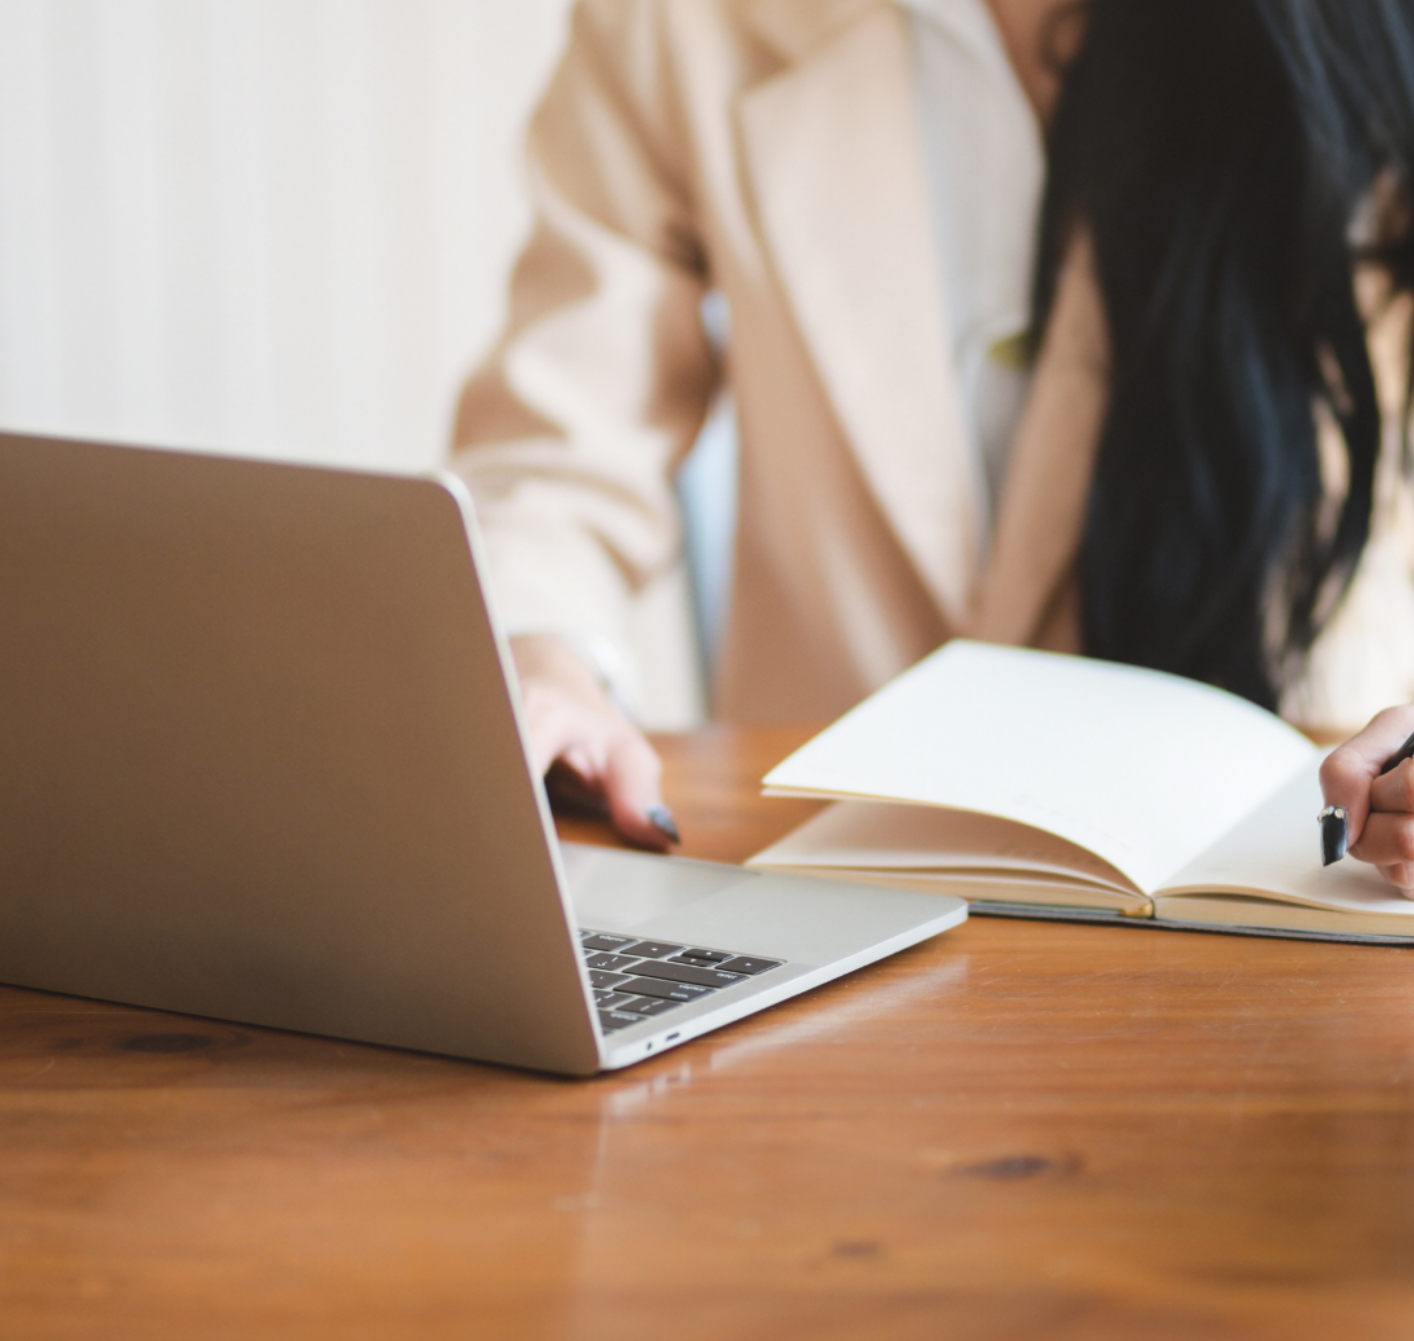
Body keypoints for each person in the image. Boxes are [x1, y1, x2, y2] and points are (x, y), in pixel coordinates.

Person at [450, 0, 1414, 884]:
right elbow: (561, 450)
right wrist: (542, 652)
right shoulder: (677, 22)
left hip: (1311, 873)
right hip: (839, 889)